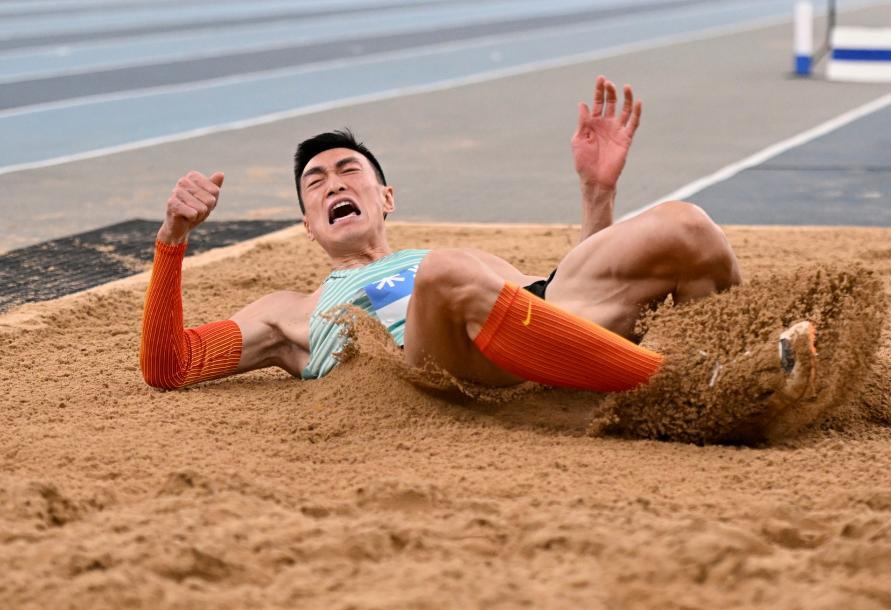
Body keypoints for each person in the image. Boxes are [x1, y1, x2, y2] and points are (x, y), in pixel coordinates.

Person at [140, 76, 815, 399]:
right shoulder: (288, 312)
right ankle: (696, 385)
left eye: (348, 170)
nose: (332, 183)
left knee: (685, 224)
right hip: (431, 366)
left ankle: (753, 375)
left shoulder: (472, 262)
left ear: (386, 198)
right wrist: (172, 240)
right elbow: (170, 366)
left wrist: (596, 194)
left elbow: (565, 314)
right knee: (447, 273)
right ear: (309, 225)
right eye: (314, 183)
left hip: (525, 326)